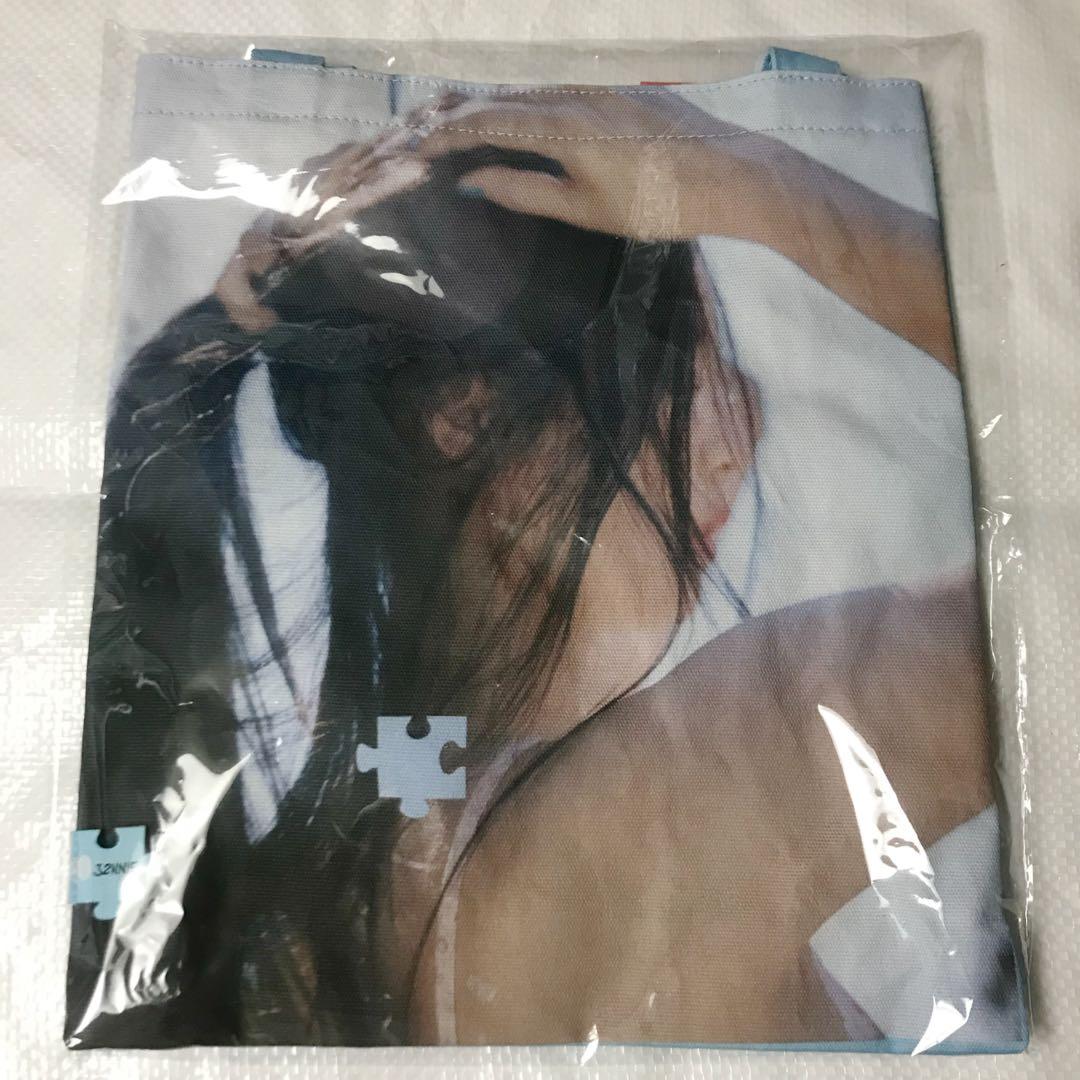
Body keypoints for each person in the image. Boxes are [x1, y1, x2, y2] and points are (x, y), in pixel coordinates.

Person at [80, 89, 999, 1047]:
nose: (742, 429)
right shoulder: (684, 794)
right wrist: (756, 181)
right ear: (466, 417)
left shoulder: (301, 904)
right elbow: (1041, 636)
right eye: (682, 352)